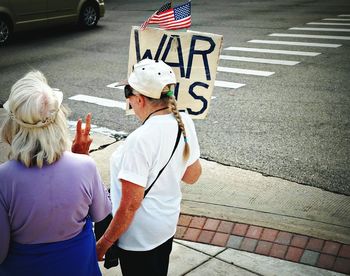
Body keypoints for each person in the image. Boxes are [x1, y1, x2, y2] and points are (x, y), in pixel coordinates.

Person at [95, 59, 202, 276]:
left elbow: (129, 207)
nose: (129, 102)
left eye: (128, 94)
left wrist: (103, 243)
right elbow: (192, 175)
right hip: (166, 226)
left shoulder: (140, 140)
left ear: (140, 99)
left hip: (139, 239)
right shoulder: (184, 120)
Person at [0, 71, 112, 276]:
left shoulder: (3, 178)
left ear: (13, 125)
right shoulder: (85, 167)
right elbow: (102, 212)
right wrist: (82, 156)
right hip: (78, 268)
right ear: (58, 121)